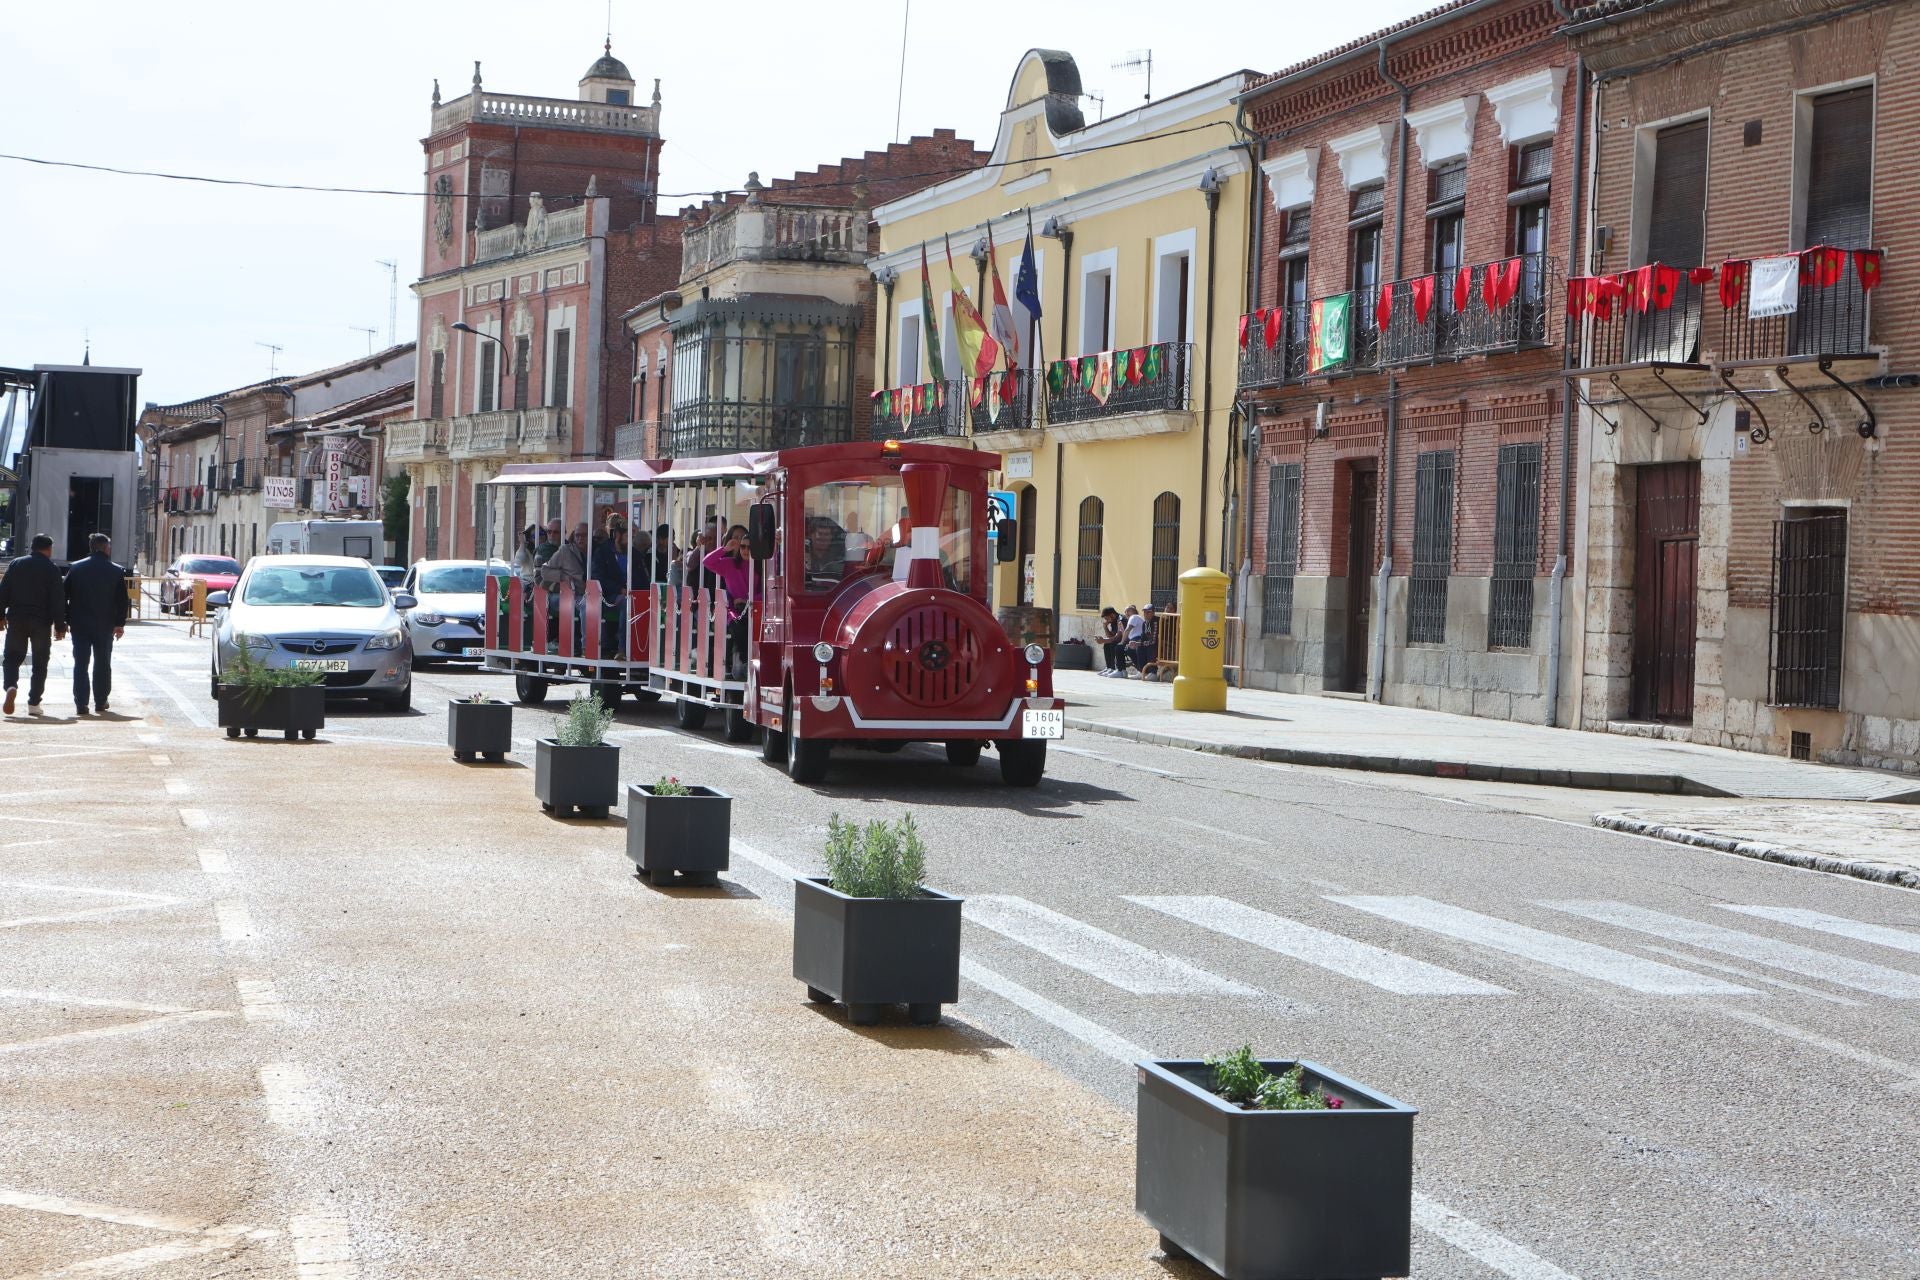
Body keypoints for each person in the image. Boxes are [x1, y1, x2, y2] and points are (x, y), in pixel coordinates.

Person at [0, 533, 67, 716]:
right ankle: (34, 704)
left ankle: (11, 686)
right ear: (49, 549)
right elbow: (57, 600)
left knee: (12, 658)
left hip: (17, 619)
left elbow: (3, 591)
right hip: (41, 623)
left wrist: (0, 616)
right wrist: (60, 625)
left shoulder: (16, 564)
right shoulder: (52, 569)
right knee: (40, 662)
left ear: (32, 546)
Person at [63, 533, 130, 716]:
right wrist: (119, 624)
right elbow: (122, 601)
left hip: (80, 625)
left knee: (81, 664)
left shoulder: (76, 568)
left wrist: (66, 619)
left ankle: (81, 704)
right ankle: (100, 701)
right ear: (106, 548)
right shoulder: (116, 571)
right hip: (105, 625)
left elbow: (64, 595)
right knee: (102, 663)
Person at [701, 524, 752, 672]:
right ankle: (743, 659)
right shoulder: (729, 564)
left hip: (754, 606)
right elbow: (707, 562)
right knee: (738, 625)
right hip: (734, 609)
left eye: (749, 547)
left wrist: (749, 600)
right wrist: (725, 549)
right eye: (742, 546)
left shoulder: (760, 565)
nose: (745, 550)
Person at [1095, 606, 1124, 677]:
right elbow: (1110, 636)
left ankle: (1113, 668)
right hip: (1118, 640)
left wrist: (1104, 640)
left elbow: (1118, 637)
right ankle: (1109, 667)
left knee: (1112, 643)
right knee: (1107, 644)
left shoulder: (1120, 619)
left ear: (1112, 614)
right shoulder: (1113, 620)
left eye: (1107, 618)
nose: (1106, 620)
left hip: (1124, 641)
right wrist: (1105, 626)